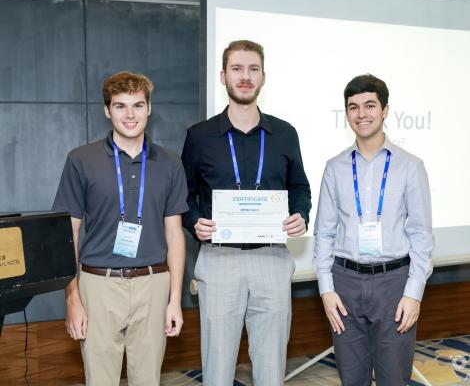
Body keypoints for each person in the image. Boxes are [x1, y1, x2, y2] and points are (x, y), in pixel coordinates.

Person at [181, 40, 311, 386]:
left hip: (272, 259)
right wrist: (195, 222)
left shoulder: (284, 133)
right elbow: (184, 196)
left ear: (263, 77)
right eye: (237, 69)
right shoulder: (200, 136)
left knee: (271, 368)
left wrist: (300, 214)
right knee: (218, 367)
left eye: (253, 69)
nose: (245, 76)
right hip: (219, 260)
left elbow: (299, 187)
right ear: (223, 76)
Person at [52, 71, 188, 386]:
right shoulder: (80, 160)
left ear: (149, 109)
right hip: (98, 285)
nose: (130, 115)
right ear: (106, 110)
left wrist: (174, 299)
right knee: (100, 380)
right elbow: (67, 233)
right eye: (120, 106)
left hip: (154, 284)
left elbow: (174, 234)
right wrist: (73, 299)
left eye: (138, 106)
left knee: (148, 380)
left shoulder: (170, 163)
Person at [313, 74, 433, 386]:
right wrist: (326, 289)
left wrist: (414, 293)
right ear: (347, 113)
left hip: (394, 284)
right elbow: (324, 233)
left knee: (394, 378)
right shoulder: (335, 167)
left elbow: (421, 233)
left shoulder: (410, 166)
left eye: (369, 105)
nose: (361, 114)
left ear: (385, 110)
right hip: (345, 284)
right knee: (351, 378)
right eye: (353, 107)